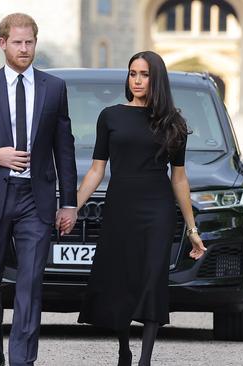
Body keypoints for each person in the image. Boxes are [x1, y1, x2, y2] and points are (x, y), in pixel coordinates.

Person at [0, 13, 77, 366]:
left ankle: (22, 360)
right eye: (18, 42)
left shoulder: (54, 88)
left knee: (31, 284)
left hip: (34, 201)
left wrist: (69, 203)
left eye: (30, 42)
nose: (24, 49)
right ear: (2, 43)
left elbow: (64, 148)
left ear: (36, 42)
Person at [73, 51, 207, 366]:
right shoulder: (110, 116)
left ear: (155, 79)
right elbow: (96, 170)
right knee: (122, 279)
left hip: (157, 209)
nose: (136, 80)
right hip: (120, 205)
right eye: (133, 73)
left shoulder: (174, 123)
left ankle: (145, 359)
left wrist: (192, 230)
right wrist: (73, 207)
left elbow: (180, 178)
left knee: (152, 279)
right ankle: (124, 349)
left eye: (144, 74)